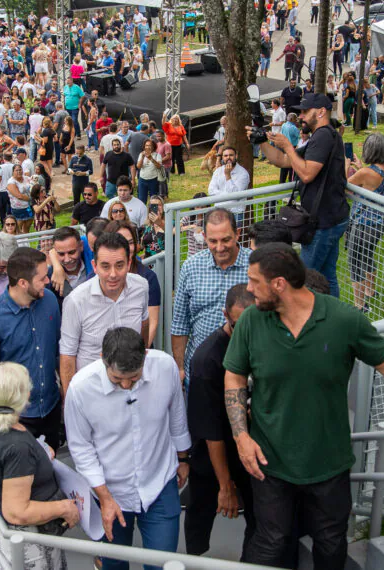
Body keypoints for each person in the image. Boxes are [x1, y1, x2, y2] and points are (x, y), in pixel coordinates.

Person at [224, 243, 384, 569]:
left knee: (330, 543)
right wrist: (241, 437)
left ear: (279, 284)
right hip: (269, 464)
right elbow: (234, 378)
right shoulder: (250, 323)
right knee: (271, 542)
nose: (248, 289)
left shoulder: (343, 320)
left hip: (329, 464)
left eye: (254, 281)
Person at [65, 327, 191, 570]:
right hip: (109, 491)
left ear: (145, 356)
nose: (125, 385)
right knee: (113, 565)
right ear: (103, 359)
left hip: (159, 484)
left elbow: (177, 415)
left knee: (163, 565)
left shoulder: (165, 367)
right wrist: (104, 497)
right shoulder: (80, 389)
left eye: (133, 378)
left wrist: (183, 458)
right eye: (116, 379)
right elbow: (81, 449)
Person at [0, 362, 79, 569]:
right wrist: (64, 508)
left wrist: (38, 454)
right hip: (29, 544)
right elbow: (16, 512)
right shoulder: (17, 446)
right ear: (25, 396)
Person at [252, 93, 349, 297]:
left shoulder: (323, 136)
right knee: (327, 275)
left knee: (301, 277)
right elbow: (285, 161)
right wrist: (261, 141)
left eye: (305, 111)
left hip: (324, 222)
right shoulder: (320, 137)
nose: (301, 116)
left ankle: (305, 319)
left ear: (321, 111)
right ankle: (334, 316)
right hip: (331, 218)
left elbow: (305, 174)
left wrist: (287, 145)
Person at [185, 284, 256, 557]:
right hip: (213, 450)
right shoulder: (207, 360)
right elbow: (211, 431)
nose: (248, 332)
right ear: (226, 315)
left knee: (260, 517)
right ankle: (192, 559)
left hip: (249, 448)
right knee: (200, 513)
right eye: (240, 324)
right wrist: (225, 485)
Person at [0, 247, 62, 449]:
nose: (48, 281)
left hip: (50, 409)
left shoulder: (49, 301)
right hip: (16, 418)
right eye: (42, 278)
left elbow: (56, 349)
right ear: (23, 283)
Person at [59, 232, 149, 397]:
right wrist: (69, 402)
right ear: (94, 266)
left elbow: (144, 325)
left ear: (129, 263)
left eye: (119, 265)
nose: (113, 274)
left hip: (132, 387)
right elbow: (67, 354)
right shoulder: (76, 301)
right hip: (92, 391)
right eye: (105, 266)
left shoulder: (141, 287)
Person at [170, 209, 251, 383]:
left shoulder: (255, 266)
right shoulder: (191, 267)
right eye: (213, 241)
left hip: (245, 372)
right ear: (204, 236)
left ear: (237, 234)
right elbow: (180, 323)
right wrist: (180, 368)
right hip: (199, 372)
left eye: (226, 240)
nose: (220, 248)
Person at [345, 133, 384, 313]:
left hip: (362, 223)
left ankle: (360, 304)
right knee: (368, 254)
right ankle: (370, 291)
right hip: (380, 222)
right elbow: (372, 184)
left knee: (354, 260)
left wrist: (346, 166)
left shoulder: (365, 173)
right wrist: (359, 168)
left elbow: (343, 186)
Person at [207, 147, 250, 227]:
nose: (228, 158)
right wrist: (227, 196)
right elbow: (211, 191)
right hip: (218, 212)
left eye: (231, 155)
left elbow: (235, 196)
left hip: (235, 214)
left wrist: (228, 176)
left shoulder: (243, 173)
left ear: (236, 156)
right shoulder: (218, 171)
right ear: (223, 157)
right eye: (226, 156)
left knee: (232, 238)